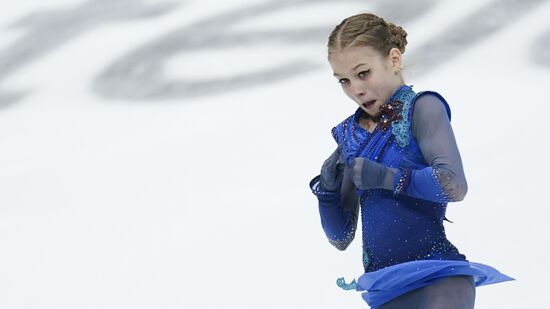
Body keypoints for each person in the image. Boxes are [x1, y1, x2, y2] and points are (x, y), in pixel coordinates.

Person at [309, 12, 513, 309]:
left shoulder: (422, 109)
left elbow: (454, 185)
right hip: (386, 289)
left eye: (363, 73)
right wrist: (326, 194)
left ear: (393, 60)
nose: (356, 89)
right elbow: (341, 237)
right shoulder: (350, 137)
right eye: (344, 80)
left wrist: (386, 177)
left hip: (438, 279)